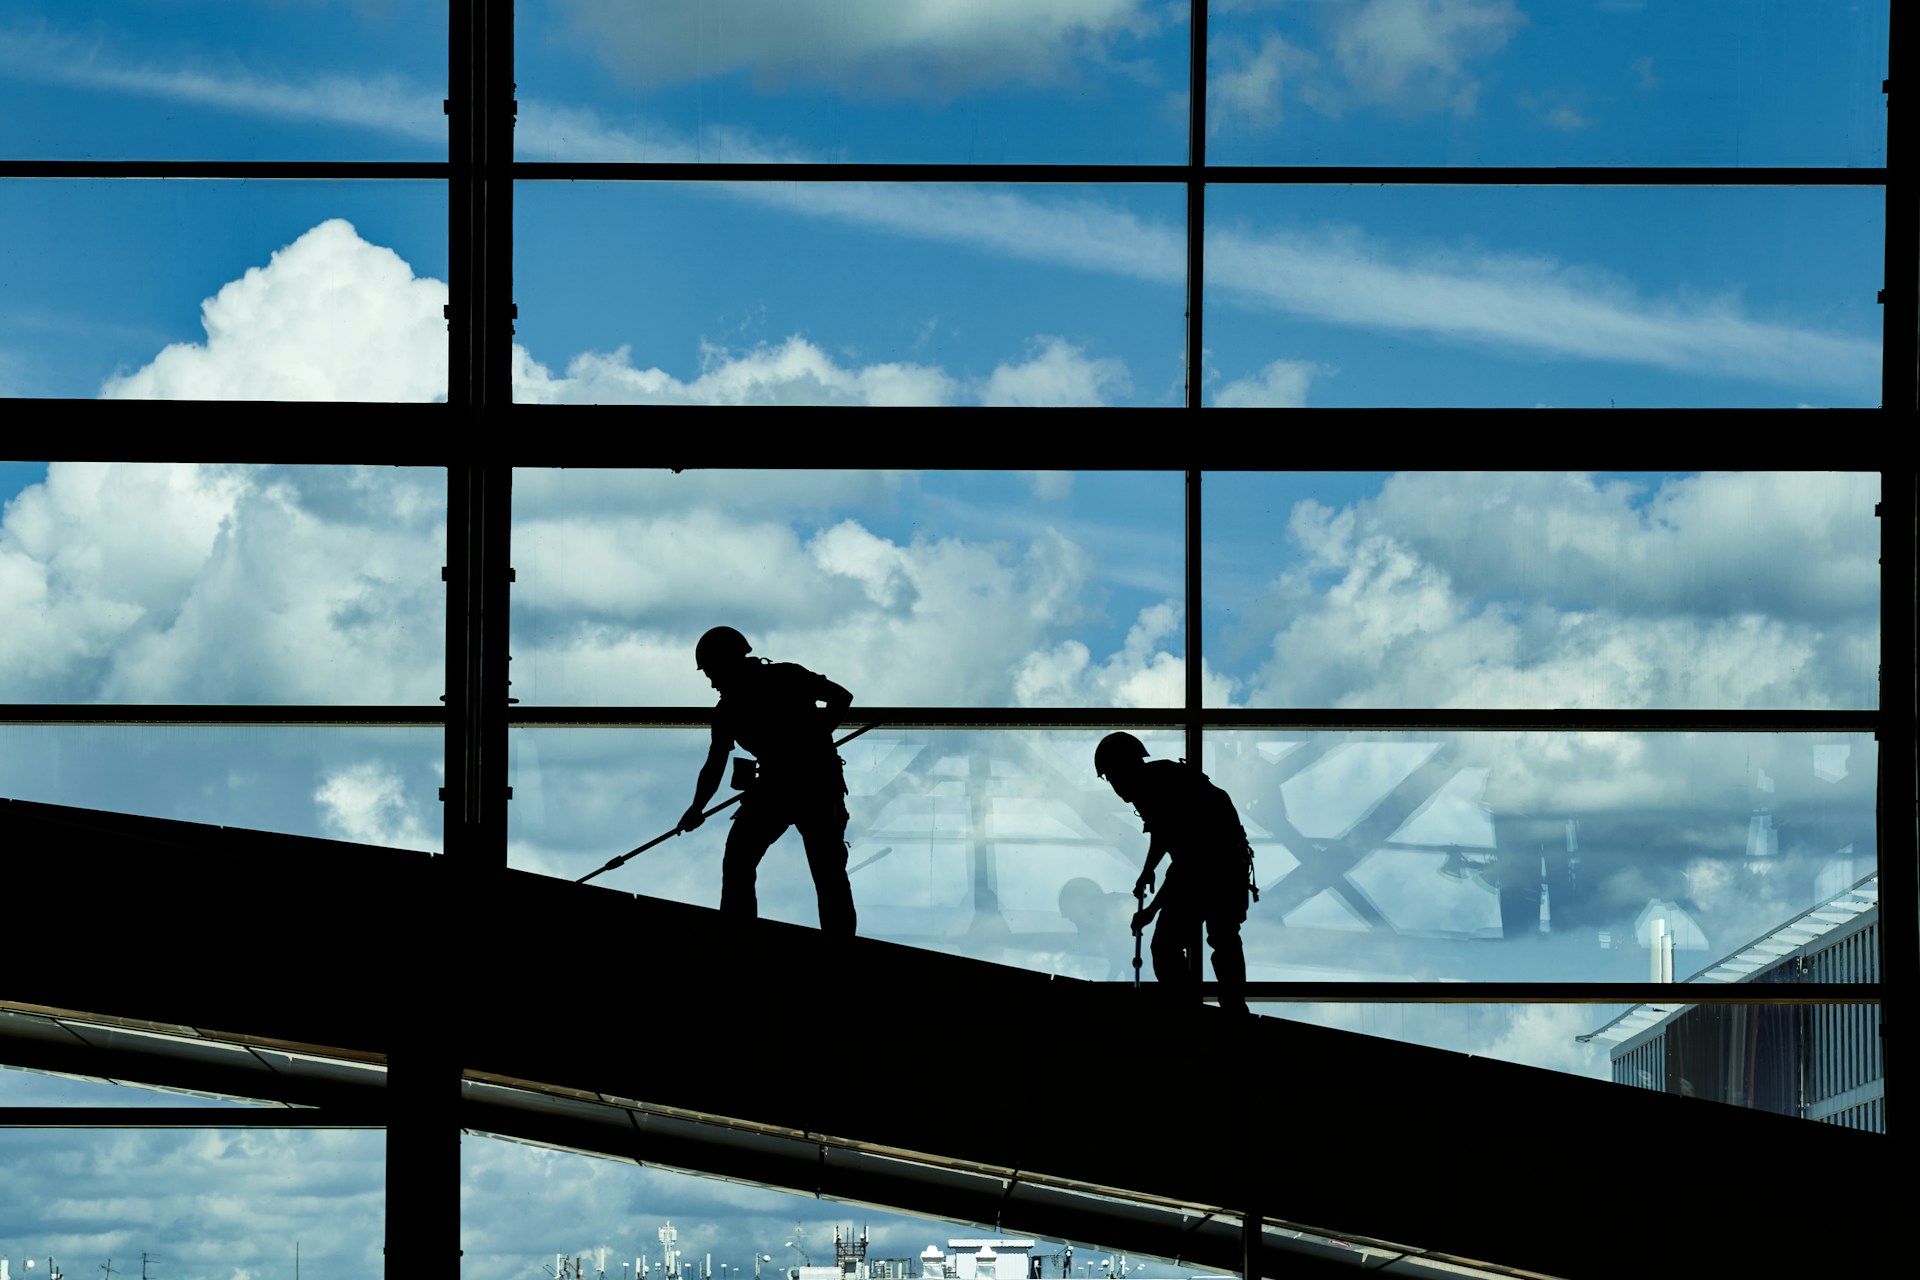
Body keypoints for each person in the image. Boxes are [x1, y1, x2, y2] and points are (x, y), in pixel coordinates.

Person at [677, 626, 857, 936]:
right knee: (814, 866)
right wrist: (696, 807)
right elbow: (715, 763)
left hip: (810, 784)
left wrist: (813, 741)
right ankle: (747, 935)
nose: (712, 683)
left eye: (712, 673)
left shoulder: (781, 679)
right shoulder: (734, 706)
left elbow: (841, 697)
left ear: (728, 663)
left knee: (820, 866)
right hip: (788, 784)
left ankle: (744, 936)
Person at [1094, 731, 1255, 1014]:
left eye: (1112, 776)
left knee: (1175, 944)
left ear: (1125, 768)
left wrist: (1152, 909)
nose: (1115, 786)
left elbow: (1188, 862)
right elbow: (1165, 836)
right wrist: (1148, 871)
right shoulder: (1160, 781)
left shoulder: (1158, 787)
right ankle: (1230, 1007)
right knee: (1222, 936)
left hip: (1216, 867)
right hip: (1227, 866)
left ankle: (1195, 1009)